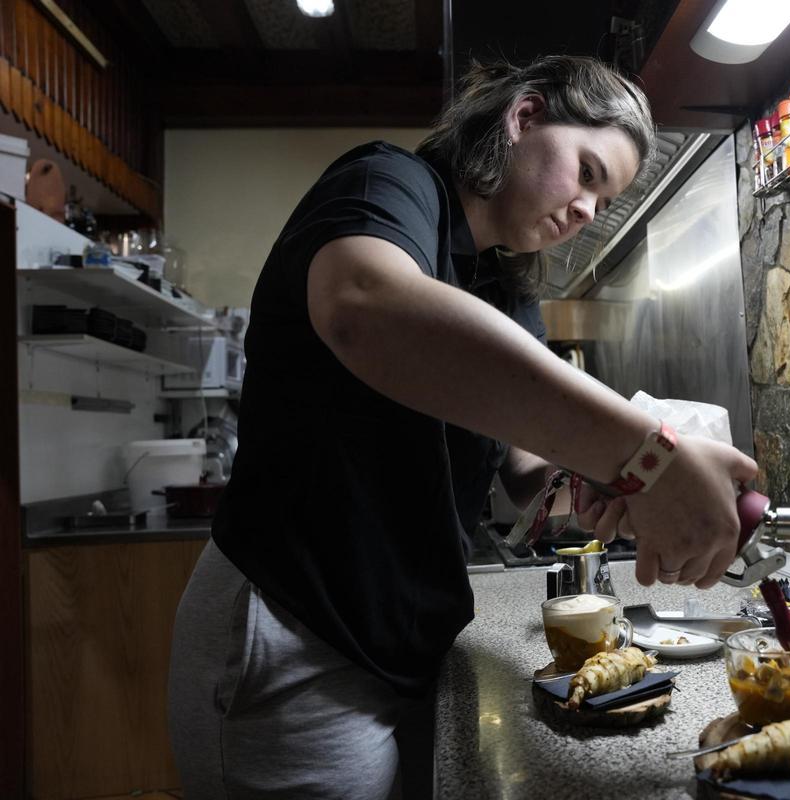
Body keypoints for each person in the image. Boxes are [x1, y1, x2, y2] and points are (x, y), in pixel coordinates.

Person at [167, 55, 758, 799]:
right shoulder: (388, 183)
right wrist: (651, 458)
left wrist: (606, 486)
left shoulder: (505, 293)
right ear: (524, 117)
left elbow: (528, 473)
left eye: (601, 203)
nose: (585, 211)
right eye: (586, 172)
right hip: (297, 635)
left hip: (401, 642)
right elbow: (364, 305)